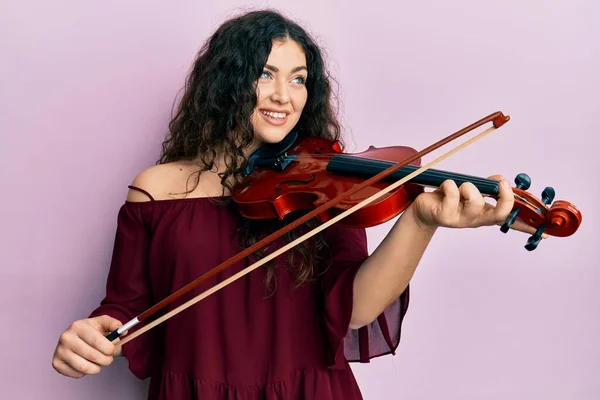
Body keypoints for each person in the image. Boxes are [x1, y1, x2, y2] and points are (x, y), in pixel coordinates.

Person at [51, 9, 534, 400]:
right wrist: (92, 335)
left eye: (299, 78)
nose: (285, 95)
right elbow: (125, 309)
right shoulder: (156, 190)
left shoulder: (329, 183)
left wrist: (421, 219)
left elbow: (356, 309)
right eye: (265, 74)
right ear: (226, 82)